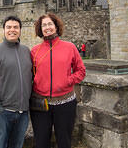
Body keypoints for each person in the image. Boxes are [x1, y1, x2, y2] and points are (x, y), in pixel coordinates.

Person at [30, 13, 86, 148]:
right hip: (40, 104)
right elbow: (30, 75)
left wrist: (67, 81)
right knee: (41, 142)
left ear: (56, 26)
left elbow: (81, 71)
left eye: (50, 24)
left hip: (65, 103)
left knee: (64, 142)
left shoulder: (69, 47)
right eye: (44, 25)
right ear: (40, 29)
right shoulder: (34, 51)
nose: (47, 27)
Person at [0, 15, 32, 148]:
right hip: (2, 112)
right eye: (8, 27)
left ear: (20, 30)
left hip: (23, 113)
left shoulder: (26, 51)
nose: (12, 30)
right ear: (3, 30)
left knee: (17, 145)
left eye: (16, 27)